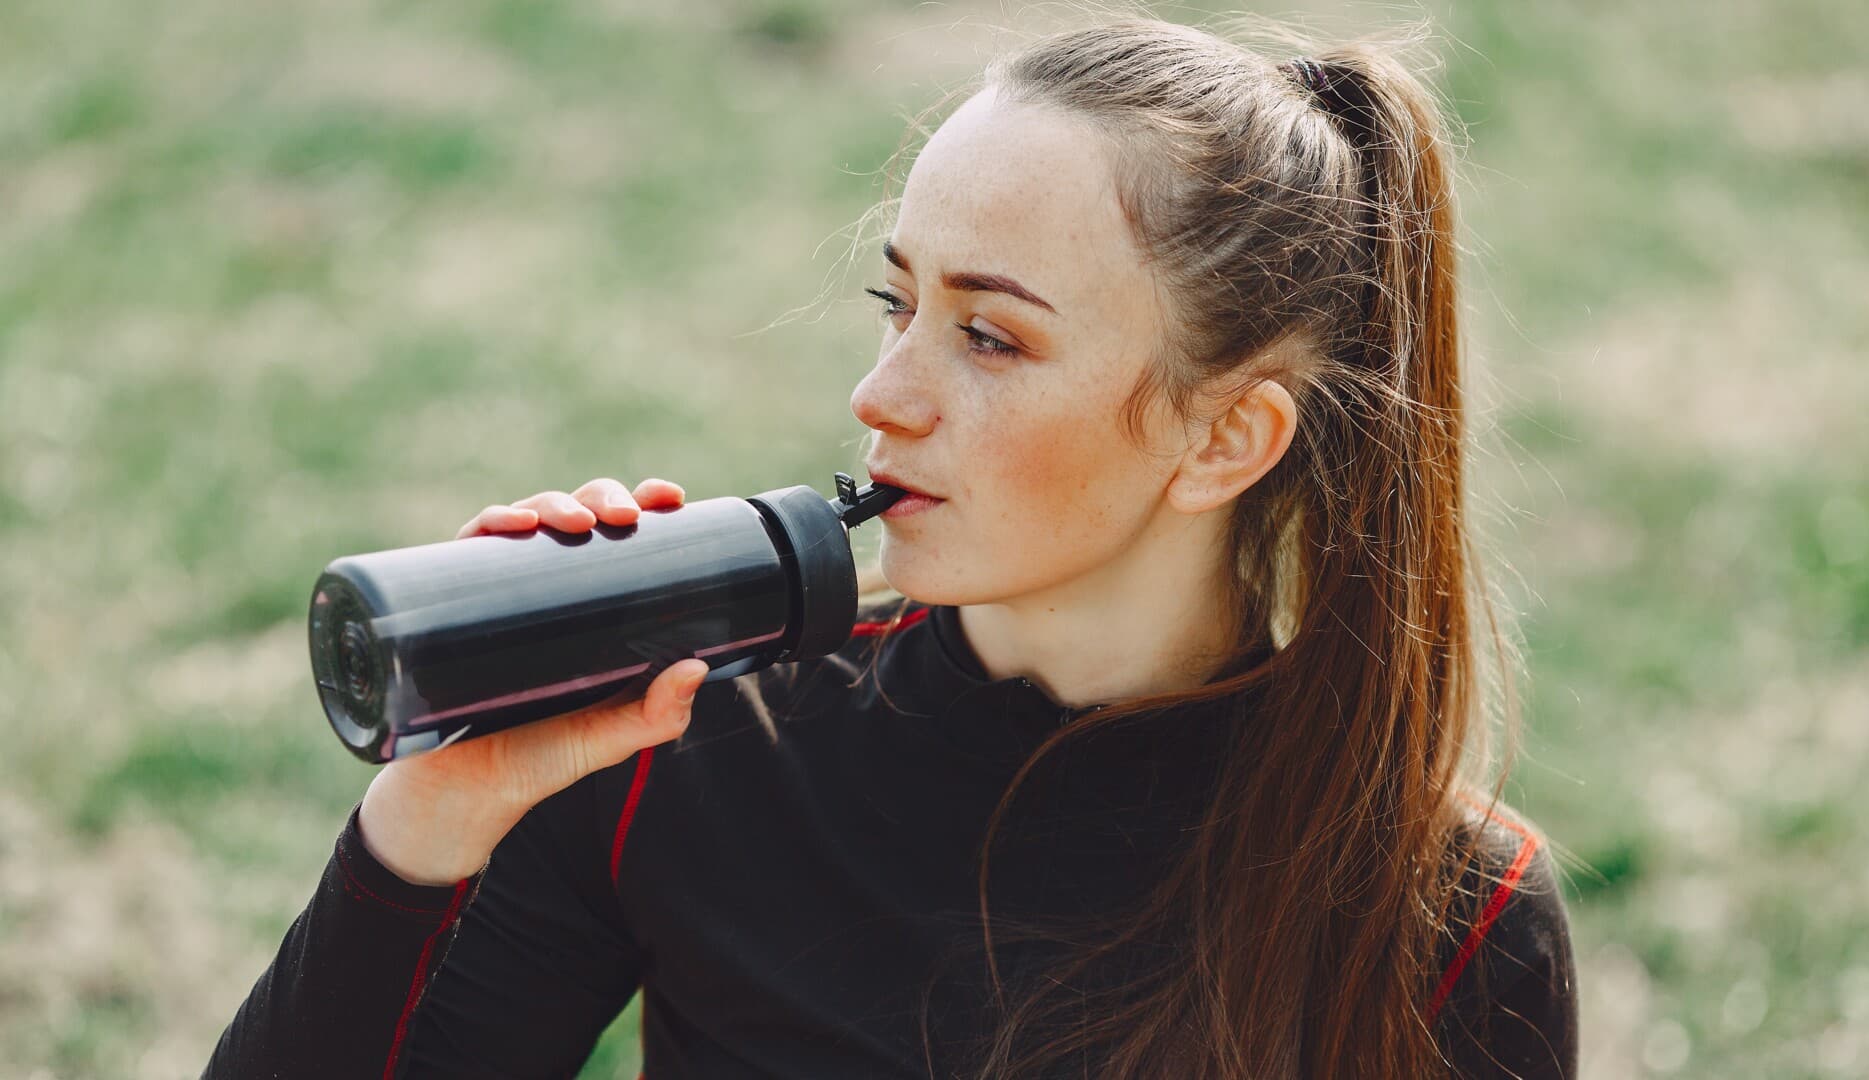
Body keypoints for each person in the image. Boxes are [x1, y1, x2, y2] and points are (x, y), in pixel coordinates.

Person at [204, 11, 1577, 1079]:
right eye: (896, 301)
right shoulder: (689, 741)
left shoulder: (1450, 917)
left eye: (989, 336)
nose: (883, 394)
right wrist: (421, 836)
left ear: (1225, 438)